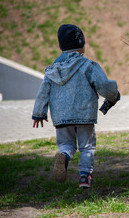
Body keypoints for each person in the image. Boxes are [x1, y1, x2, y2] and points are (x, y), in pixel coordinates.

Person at [32, 24, 119, 188]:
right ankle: (85, 178)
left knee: (66, 144)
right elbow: (104, 85)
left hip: (61, 117)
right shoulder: (88, 66)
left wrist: (38, 113)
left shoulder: (52, 70)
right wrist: (114, 94)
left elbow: (43, 92)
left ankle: (63, 156)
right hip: (84, 115)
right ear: (81, 44)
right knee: (87, 146)